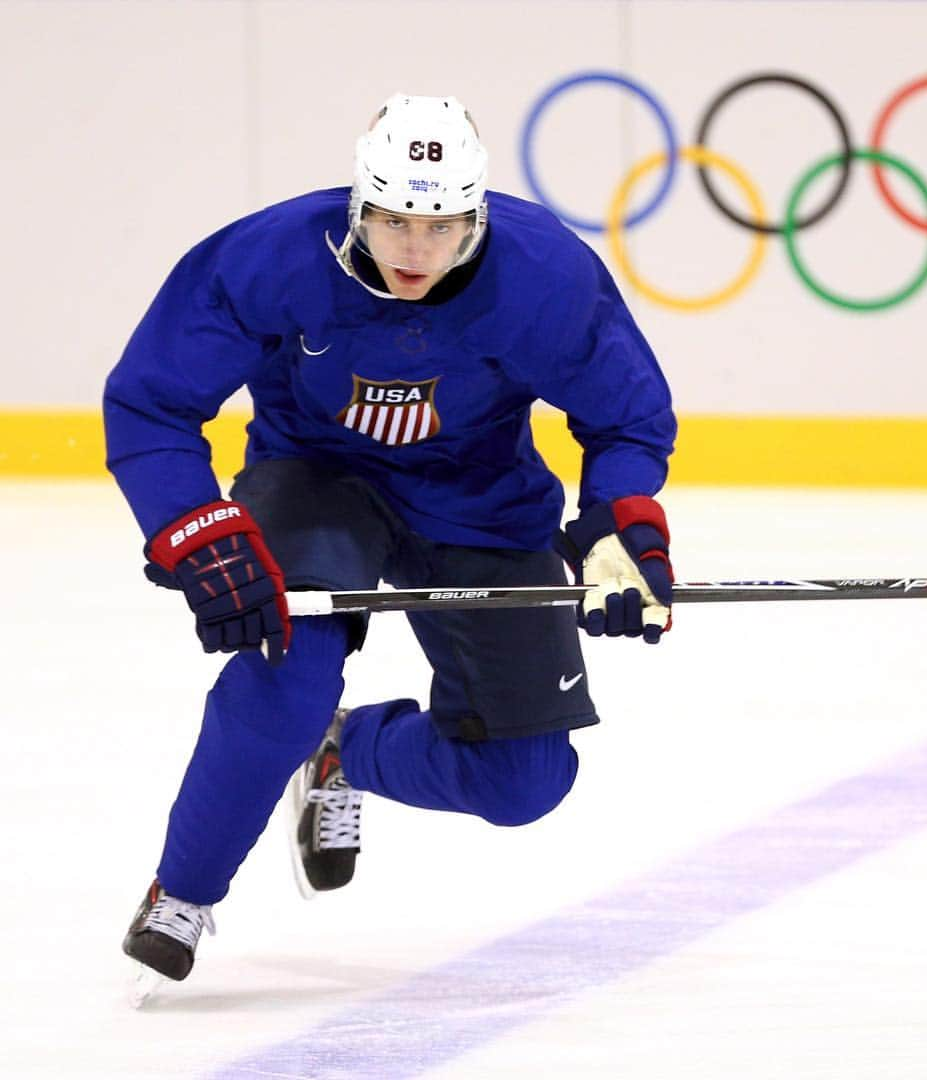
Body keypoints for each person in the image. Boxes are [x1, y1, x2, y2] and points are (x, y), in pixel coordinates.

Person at [104, 93, 676, 982]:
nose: (415, 250)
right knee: (284, 676)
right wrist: (194, 526)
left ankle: (347, 751)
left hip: (481, 495)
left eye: (441, 226)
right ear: (357, 208)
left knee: (527, 780)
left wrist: (619, 524)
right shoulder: (270, 258)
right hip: (314, 480)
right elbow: (151, 399)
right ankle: (181, 892)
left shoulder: (545, 279)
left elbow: (629, 418)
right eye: (394, 221)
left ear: (476, 218)